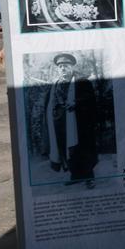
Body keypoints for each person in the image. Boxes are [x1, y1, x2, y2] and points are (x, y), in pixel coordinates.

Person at [44, 53, 99, 189]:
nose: (63, 69)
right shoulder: (55, 84)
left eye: (66, 66)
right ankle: (75, 176)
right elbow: (50, 103)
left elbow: (91, 100)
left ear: (72, 67)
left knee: (82, 149)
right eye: (60, 66)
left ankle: (89, 178)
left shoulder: (81, 82)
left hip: (78, 122)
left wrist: (76, 103)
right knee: (65, 150)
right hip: (60, 122)